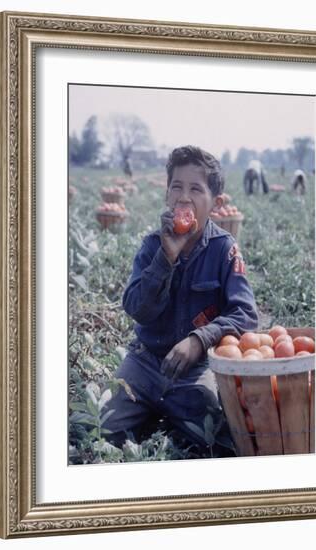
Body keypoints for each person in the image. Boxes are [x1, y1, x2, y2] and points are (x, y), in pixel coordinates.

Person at [103, 145, 258, 455]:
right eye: (177, 187)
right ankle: (150, 416)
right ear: (167, 196)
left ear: (214, 203)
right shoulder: (151, 246)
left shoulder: (224, 249)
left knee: (216, 438)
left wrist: (200, 340)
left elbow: (245, 314)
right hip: (144, 362)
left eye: (196, 189)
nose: (184, 197)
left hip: (193, 371)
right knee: (103, 427)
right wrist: (166, 257)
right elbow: (136, 308)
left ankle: (165, 417)